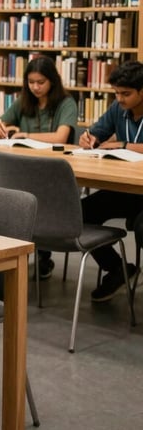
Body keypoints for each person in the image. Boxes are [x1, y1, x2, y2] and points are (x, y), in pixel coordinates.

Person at [0, 55, 78, 281]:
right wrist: (1, 129)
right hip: (24, 171)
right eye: (31, 82)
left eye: (41, 82)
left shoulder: (65, 103)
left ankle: (42, 254)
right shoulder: (24, 101)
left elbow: (62, 136)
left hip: (53, 175)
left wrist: (25, 134)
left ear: (52, 81)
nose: (36, 87)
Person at [78, 60, 143, 301]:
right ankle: (118, 268)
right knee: (80, 213)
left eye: (126, 94)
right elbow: (97, 134)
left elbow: (119, 144)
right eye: (116, 93)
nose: (120, 99)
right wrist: (89, 139)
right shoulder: (118, 108)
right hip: (123, 187)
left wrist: (124, 145)